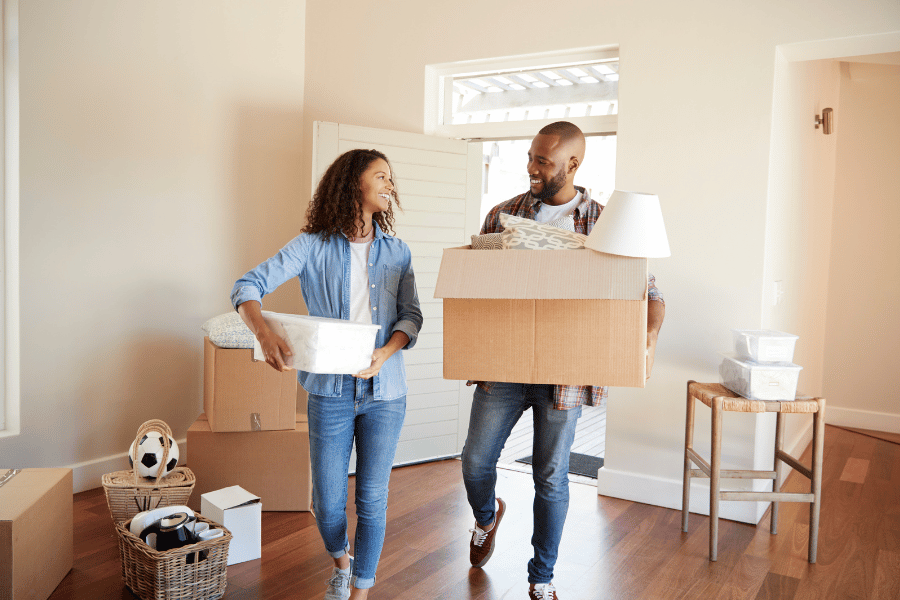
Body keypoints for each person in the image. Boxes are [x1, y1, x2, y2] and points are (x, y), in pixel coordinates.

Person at [461, 121, 665, 600]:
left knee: (550, 476)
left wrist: (648, 337)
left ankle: (541, 577)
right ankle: (486, 517)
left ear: (573, 165)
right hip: (505, 365)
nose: (532, 168)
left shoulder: (606, 223)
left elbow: (649, 294)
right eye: (531, 157)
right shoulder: (503, 214)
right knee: (474, 461)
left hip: (566, 372)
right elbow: (475, 284)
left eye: (543, 161)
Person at [230, 149, 422, 600]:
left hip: (386, 392)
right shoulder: (311, 246)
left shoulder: (398, 252)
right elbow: (246, 286)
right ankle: (341, 561)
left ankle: (360, 590)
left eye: (390, 178)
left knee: (372, 499)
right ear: (353, 182)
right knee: (327, 503)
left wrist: (386, 351)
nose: (390, 185)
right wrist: (263, 333)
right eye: (381, 176)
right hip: (330, 393)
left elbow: (411, 316)